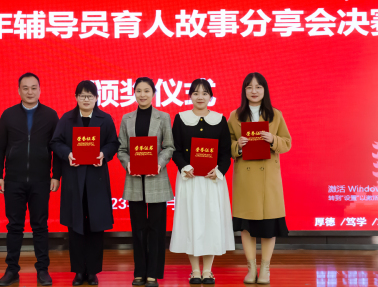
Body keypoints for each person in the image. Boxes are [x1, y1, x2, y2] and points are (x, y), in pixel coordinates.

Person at [0, 72, 61, 287]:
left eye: (34, 88)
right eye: (25, 88)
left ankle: (43, 270)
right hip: (13, 180)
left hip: (41, 180)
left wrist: (56, 175)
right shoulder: (8, 115)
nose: (30, 92)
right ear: (19, 90)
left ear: (40, 90)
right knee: (14, 226)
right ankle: (12, 270)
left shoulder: (50, 115)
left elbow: (57, 148)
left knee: (40, 226)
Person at [50, 80, 120, 286]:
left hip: (96, 179)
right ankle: (79, 271)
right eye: (82, 95)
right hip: (74, 179)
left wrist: (103, 154)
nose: (86, 99)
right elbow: (55, 142)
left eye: (90, 96)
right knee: (76, 226)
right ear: (76, 98)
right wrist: (68, 154)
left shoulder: (105, 119)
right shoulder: (66, 119)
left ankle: (93, 271)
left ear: (97, 98)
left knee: (96, 227)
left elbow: (113, 143)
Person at [227, 72, 291, 285]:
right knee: (247, 226)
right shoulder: (235, 116)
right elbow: (227, 144)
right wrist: (238, 146)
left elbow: (287, 142)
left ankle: (265, 268)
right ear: (244, 91)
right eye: (249, 87)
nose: (254, 91)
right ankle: (251, 268)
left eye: (258, 87)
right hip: (245, 179)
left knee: (268, 226)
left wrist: (273, 139)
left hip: (268, 179)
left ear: (265, 90)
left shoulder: (275, 114)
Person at [169, 79, 234, 285]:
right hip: (189, 179)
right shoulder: (181, 118)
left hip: (212, 180)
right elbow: (175, 149)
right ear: (190, 96)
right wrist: (184, 166)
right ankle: (195, 270)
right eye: (196, 93)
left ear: (210, 97)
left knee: (211, 223)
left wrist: (219, 171)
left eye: (205, 93)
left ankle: (208, 270)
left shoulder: (220, 119)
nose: (200, 97)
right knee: (191, 222)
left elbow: (226, 152)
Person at [117, 77, 175, 287]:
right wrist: (128, 164)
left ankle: (153, 273)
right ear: (134, 93)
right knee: (138, 229)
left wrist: (159, 163)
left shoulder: (163, 117)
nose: (142, 94)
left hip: (157, 179)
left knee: (157, 229)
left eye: (147, 90)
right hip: (134, 180)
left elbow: (169, 146)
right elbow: (122, 149)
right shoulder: (127, 118)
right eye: (139, 91)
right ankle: (139, 272)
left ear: (153, 93)